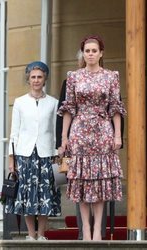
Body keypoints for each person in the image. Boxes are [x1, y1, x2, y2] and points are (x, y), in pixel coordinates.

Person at [58, 35, 126, 241]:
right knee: (81, 181)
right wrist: (64, 137)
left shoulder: (111, 77)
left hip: (103, 131)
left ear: (101, 53)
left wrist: (117, 134)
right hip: (79, 132)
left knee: (99, 182)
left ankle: (98, 230)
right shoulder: (73, 77)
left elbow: (115, 108)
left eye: (94, 50)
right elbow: (68, 108)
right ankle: (85, 230)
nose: (90, 54)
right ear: (83, 54)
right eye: (87, 51)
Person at [5, 61, 61, 241]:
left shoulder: (53, 103)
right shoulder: (20, 102)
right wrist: (11, 160)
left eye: (39, 77)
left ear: (45, 79)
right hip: (25, 153)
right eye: (33, 77)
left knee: (45, 193)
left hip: (46, 154)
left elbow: (55, 130)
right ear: (28, 79)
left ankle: (42, 234)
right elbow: (14, 132)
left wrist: (57, 155)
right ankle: (30, 234)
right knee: (27, 193)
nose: (36, 80)